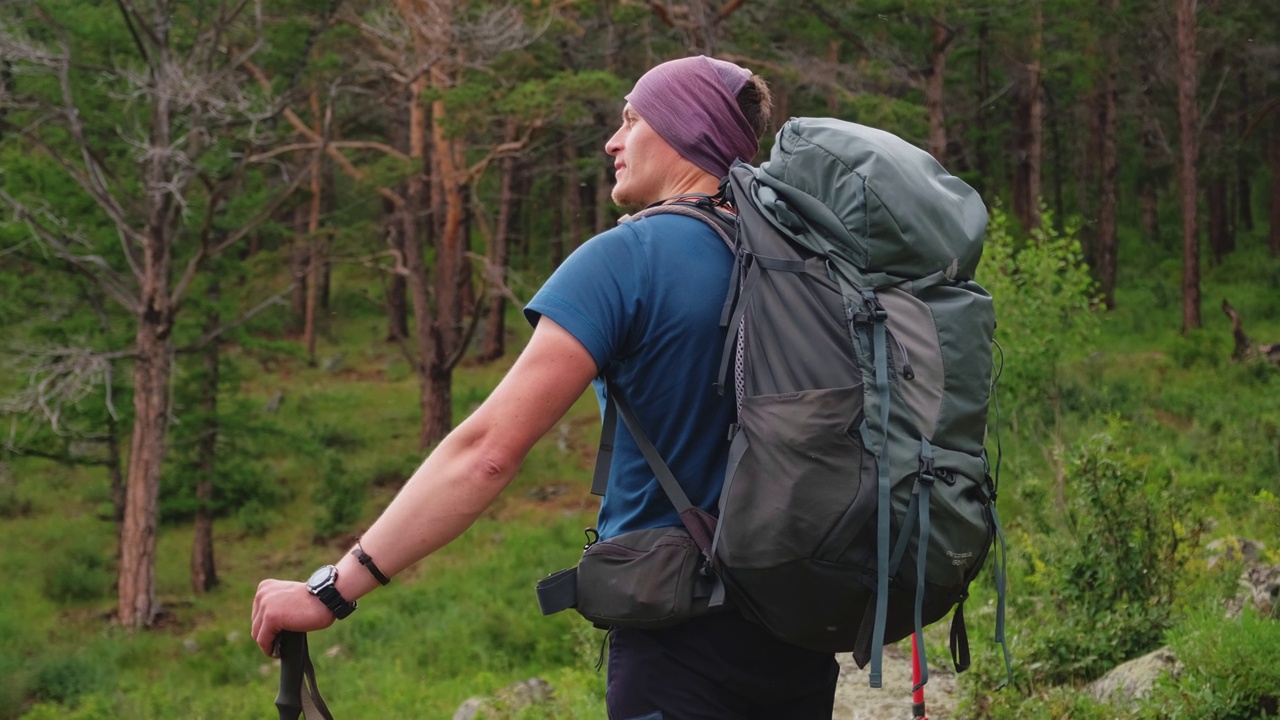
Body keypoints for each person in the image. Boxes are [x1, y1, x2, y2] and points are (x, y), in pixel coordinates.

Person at [251, 55, 840, 720]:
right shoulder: (803, 261)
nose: (613, 143)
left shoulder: (628, 258)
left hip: (679, 636)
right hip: (799, 628)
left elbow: (487, 453)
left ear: (683, 128)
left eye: (632, 119)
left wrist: (333, 589)